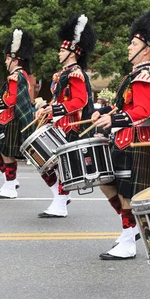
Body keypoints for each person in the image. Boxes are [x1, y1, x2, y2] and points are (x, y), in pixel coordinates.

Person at [92, 1, 150, 260]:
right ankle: (129, 232)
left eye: (133, 43)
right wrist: (105, 115)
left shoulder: (144, 75)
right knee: (108, 185)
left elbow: (143, 111)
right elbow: (126, 107)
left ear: (147, 48)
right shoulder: (135, 74)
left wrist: (114, 121)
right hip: (124, 141)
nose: (129, 46)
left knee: (127, 194)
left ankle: (129, 241)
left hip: (137, 143)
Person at [35, 15, 97, 217]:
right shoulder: (64, 73)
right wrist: (46, 106)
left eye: (62, 50)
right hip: (59, 123)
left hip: (71, 125)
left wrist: (55, 109)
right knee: (43, 163)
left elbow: (79, 101)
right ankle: (60, 197)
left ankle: (60, 203)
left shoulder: (76, 74)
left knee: (60, 166)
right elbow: (61, 99)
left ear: (72, 53)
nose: (59, 53)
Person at [0, 29, 34, 199]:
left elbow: (12, 100)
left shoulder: (16, 76)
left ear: (14, 59)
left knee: (7, 153)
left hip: (13, 119)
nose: (5, 61)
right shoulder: (16, 75)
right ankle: (10, 180)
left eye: (7, 58)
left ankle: (10, 187)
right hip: (6, 118)